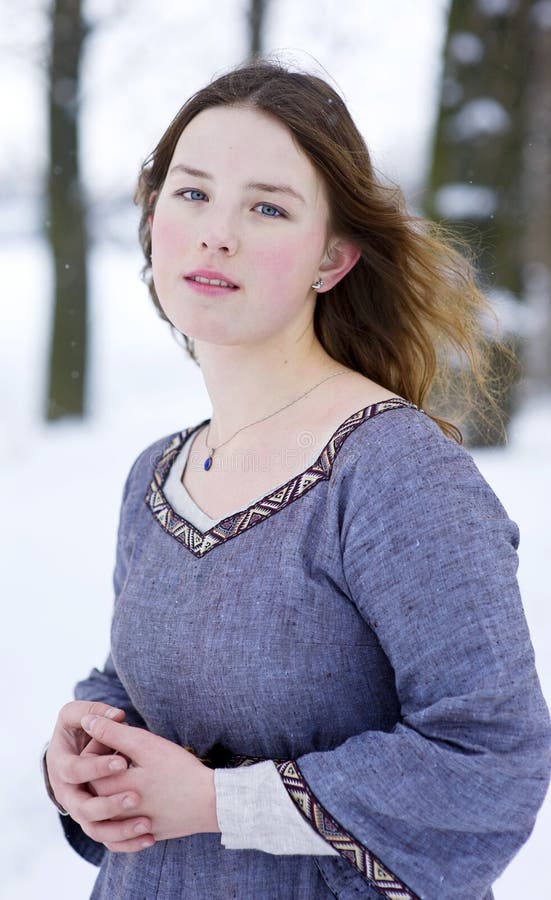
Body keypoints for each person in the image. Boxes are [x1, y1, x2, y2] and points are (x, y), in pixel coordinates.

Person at [43, 58, 551, 899]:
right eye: (192, 193)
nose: (216, 233)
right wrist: (87, 750)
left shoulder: (393, 471)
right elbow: (142, 681)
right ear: (152, 216)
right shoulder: (156, 475)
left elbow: (488, 756)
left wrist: (217, 802)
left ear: (333, 257)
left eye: (267, 208)